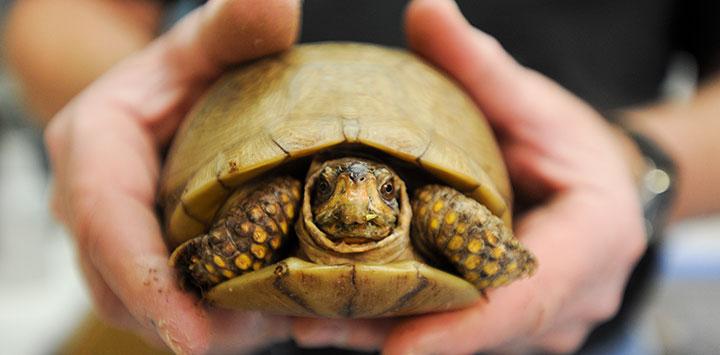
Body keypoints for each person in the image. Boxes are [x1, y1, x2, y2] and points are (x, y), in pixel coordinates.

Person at [4, 0, 720, 353]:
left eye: (382, 187)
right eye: (327, 186)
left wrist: (636, 170)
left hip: (573, 321)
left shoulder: (436, 208)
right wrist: (133, 112)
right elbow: (63, 13)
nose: (355, 197)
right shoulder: (273, 199)